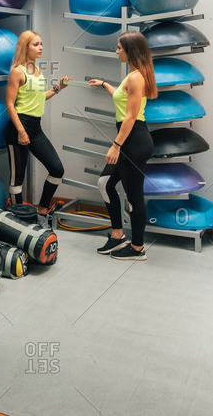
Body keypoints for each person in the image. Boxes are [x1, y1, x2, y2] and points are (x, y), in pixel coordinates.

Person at [88, 31, 157, 260]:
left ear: (130, 50)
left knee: (135, 198)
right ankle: (117, 235)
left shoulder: (136, 77)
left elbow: (130, 116)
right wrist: (105, 84)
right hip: (130, 139)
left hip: (133, 141)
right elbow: (121, 97)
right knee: (104, 183)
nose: (117, 51)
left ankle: (137, 249)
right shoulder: (132, 76)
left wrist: (116, 145)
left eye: (119, 47)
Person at [5, 30, 70, 224]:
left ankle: (42, 209)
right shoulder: (18, 71)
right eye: (36, 44)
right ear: (25, 47)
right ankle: (17, 221)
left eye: (41, 43)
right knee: (18, 179)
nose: (41, 47)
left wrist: (58, 88)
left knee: (57, 169)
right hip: (19, 128)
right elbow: (9, 104)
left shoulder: (37, 70)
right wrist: (21, 131)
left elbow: (40, 97)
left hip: (35, 128)